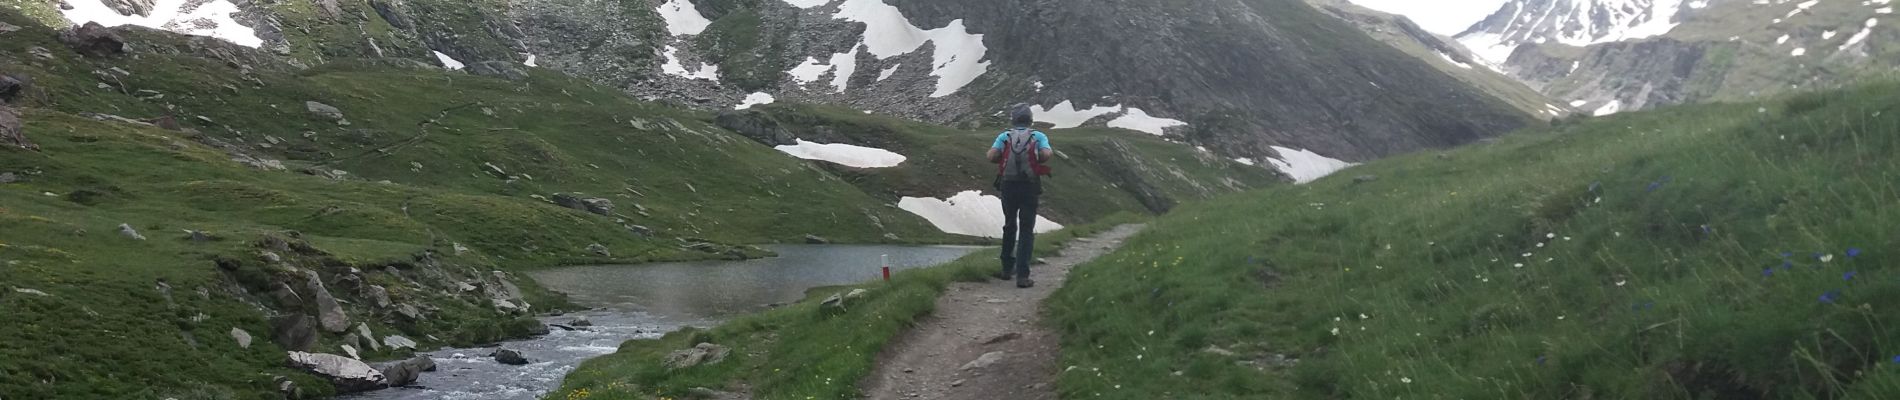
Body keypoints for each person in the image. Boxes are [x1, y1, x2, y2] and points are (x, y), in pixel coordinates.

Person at [987, 104, 1053, 288]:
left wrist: (1004, 157)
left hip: (1008, 185)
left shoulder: (1005, 136)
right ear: (1030, 119)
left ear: (1013, 119)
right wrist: (1035, 157)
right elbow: (1046, 154)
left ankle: (1006, 269)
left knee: (1009, 225)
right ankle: (1023, 276)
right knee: (1026, 229)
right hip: (1029, 186)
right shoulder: (1038, 136)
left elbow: (991, 156)